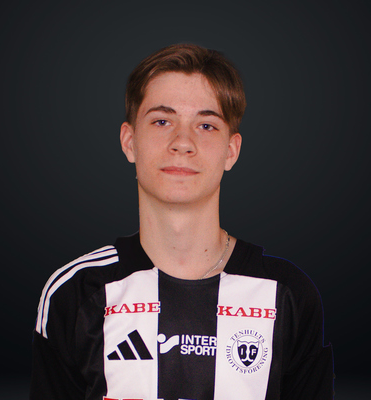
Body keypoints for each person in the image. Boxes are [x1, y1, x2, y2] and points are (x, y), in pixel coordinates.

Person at [30, 44, 334, 400]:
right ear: (129, 141)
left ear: (231, 151)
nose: (183, 142)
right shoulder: (75, 291)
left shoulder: (288, 295)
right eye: (162, 121)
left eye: (206, 125)